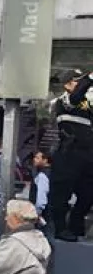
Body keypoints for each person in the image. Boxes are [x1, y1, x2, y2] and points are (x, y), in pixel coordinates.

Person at [47, 70, 93, 241]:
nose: (80, 85)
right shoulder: (63, 101)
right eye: (76, 81)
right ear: (67, 84)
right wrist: (89, 78)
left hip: (87, 155)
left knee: (88, 193)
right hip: (68, 154)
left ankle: (76, 223)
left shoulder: (86, 103)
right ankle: (60, 229)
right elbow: (75, 98)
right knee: (61, 193)